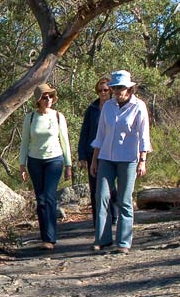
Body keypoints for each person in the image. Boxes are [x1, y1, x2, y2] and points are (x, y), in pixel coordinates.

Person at [90, 70, 152, 254]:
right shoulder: (108, 107)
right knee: (101, 197)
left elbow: (144, 136)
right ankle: (102, 239)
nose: (117, 91)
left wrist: (142, 160)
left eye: (121, 88)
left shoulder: (138, 106)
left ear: (129, 89)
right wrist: (94, 160)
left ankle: (124, 242)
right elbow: (100, 135)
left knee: (124, 200)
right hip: (106, 158)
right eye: (115, 88)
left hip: (128, 159)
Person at [19, 83, 73, 250]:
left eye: (50, 96)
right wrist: (22, 165)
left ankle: (50, 238)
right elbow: (25, 143)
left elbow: (65, 141)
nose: (48, 99)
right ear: (38, 100)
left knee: (49, 197)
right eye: (44, 97)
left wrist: (68, 165)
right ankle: (45, 236)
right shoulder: (30, 118)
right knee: (40, 199)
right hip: (35, 161)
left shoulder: (58, 116)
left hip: (54, 160)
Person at [78, 78, 118, 227]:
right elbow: (85, 132)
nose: (103, 93)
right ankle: (98, 221)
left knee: (111, 187)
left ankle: (114, 215)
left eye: (106, 90)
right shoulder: (92, 109)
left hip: (112, 152)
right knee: (95, 188)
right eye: (100, 90)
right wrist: (82, 155)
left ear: (111, 91)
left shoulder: (116, 107)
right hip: (92, 153)